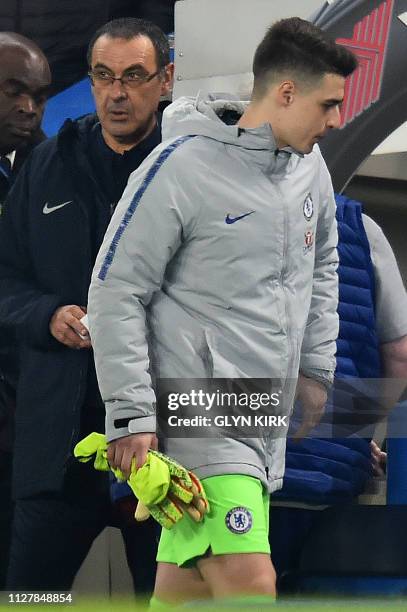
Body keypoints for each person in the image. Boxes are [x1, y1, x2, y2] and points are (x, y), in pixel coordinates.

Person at [87, 17, 358, 607]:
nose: (336, 119)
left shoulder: (311, 171)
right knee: (249, 583)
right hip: (199, 412)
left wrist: (315, 370)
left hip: (262, 414)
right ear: (285, 92)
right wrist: (131, 415)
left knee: (185, 589)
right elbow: (114, 290)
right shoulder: (180, 166)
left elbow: (325, 270)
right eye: (329, 104)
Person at [0, 17, 173, 591]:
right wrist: (47, 313)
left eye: (133, 76)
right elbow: (7, 279)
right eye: (103, 76)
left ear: (165, 79)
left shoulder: (190, 168)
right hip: (57, 445)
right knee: (32, 598)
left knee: (169, 600)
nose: (116, 93)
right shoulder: (47, 166)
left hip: (162, 449)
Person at [270, 194, 407, 590]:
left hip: (224, 465)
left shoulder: (201, 204)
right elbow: (399, 354)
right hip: (326, 477)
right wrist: (351, 431)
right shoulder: (361, 228)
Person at [0, 31, 51, 590]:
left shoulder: (50, 168)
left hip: (32, 420)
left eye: (38, 95)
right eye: (14, 90)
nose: (28, 107)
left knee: (32, 579)